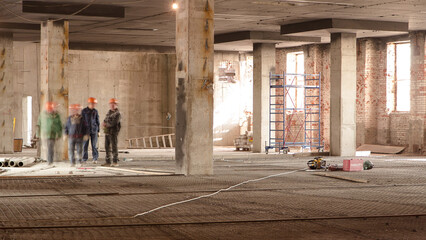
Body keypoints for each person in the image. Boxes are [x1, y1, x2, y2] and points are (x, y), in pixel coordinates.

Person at [102, 98, 121, 167]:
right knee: (107, 147)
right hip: (107, 132)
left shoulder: (117, 114)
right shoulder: (109, 112)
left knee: (114, 147)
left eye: (114, 104)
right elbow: (105, 120)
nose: (112, 105)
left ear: (116, 105)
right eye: (111, 104)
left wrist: (106, 124)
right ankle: (108, 162)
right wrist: (104, 123)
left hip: (113, 132)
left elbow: (114, 123)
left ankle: (115, 162)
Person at [82, 97, 100, 164]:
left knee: (94, 145)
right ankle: (84, 159)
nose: (94, 105)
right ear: (89, 103)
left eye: (94, 104)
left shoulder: (95, 111)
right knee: (85, 145)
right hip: (86, 131)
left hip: (94, 130)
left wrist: (98, 131)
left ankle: (95, 158)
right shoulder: (84, 111)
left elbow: (97, 121)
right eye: (92, 104)